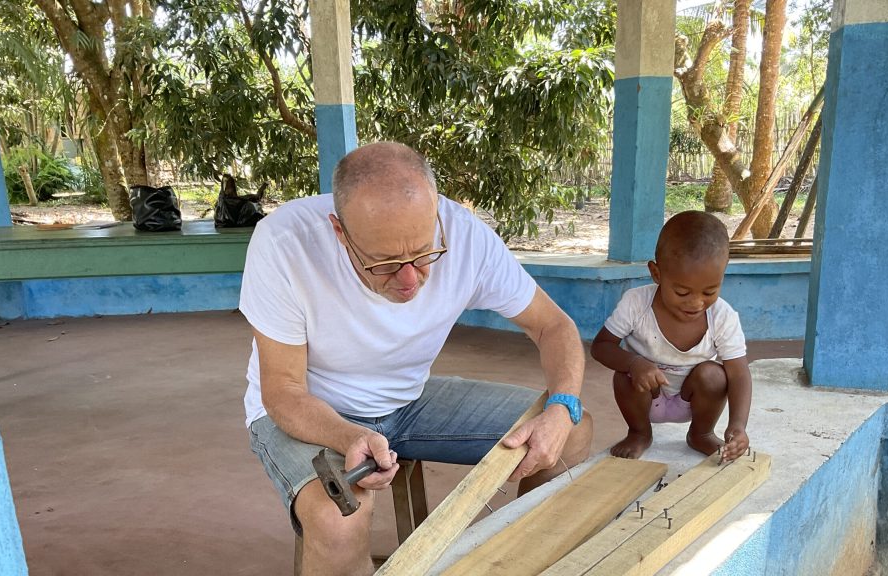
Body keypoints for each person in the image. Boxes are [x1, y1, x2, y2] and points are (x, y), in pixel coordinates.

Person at [239, 141, 593, 575]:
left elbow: (553, 326)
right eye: (384, 262)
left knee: (570, 431)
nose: (409, 278)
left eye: (424, 253)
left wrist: (562, 407)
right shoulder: (284, 243)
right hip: (312, 410)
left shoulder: (466, 237)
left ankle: (523, 565)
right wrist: (349, 437)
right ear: (339, 231)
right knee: (338, 520)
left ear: (436, 215)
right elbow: (284, 390)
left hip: (408, 402)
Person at [590, 211, 752, 461]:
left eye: (709, 292)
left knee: (714, 375)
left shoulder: (722, 316)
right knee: (624, 375)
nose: (696, 303)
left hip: (693, 401)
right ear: (657, 274)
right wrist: (634, 363)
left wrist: (738, 425)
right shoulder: (636, 303)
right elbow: (601, 346)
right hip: (645, 396)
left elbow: (739, 373)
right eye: (682, 292)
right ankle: (639, 433)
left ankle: (700, 434)